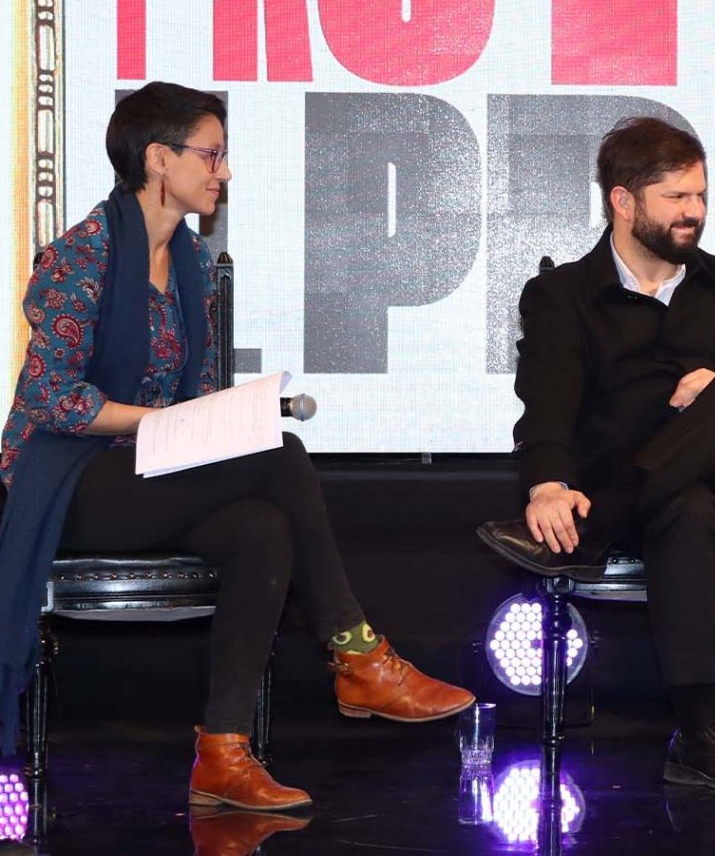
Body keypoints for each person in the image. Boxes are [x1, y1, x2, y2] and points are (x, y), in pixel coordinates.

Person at [0, 82, 475, 812]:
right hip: (67, 485)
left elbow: (185, 400)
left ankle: (222, 754)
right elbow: (49, 400)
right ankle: (357, 653)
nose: (222, 171)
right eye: (211, 154)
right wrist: (160, 426)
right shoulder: (79, 257)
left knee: (264, 527)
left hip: (149, 475)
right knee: (279, 452)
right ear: (158, 159)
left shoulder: (191, 263)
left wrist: (205, 420)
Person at [484, 116, 715, 790]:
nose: (694, 212)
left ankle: (595, 529)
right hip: (630, 486)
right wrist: (547, 485)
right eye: (676, 198)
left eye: (699, 195)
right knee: (684, 507)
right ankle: (699, 735)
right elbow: (545, 409)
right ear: (624, 200)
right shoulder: (563, 297)